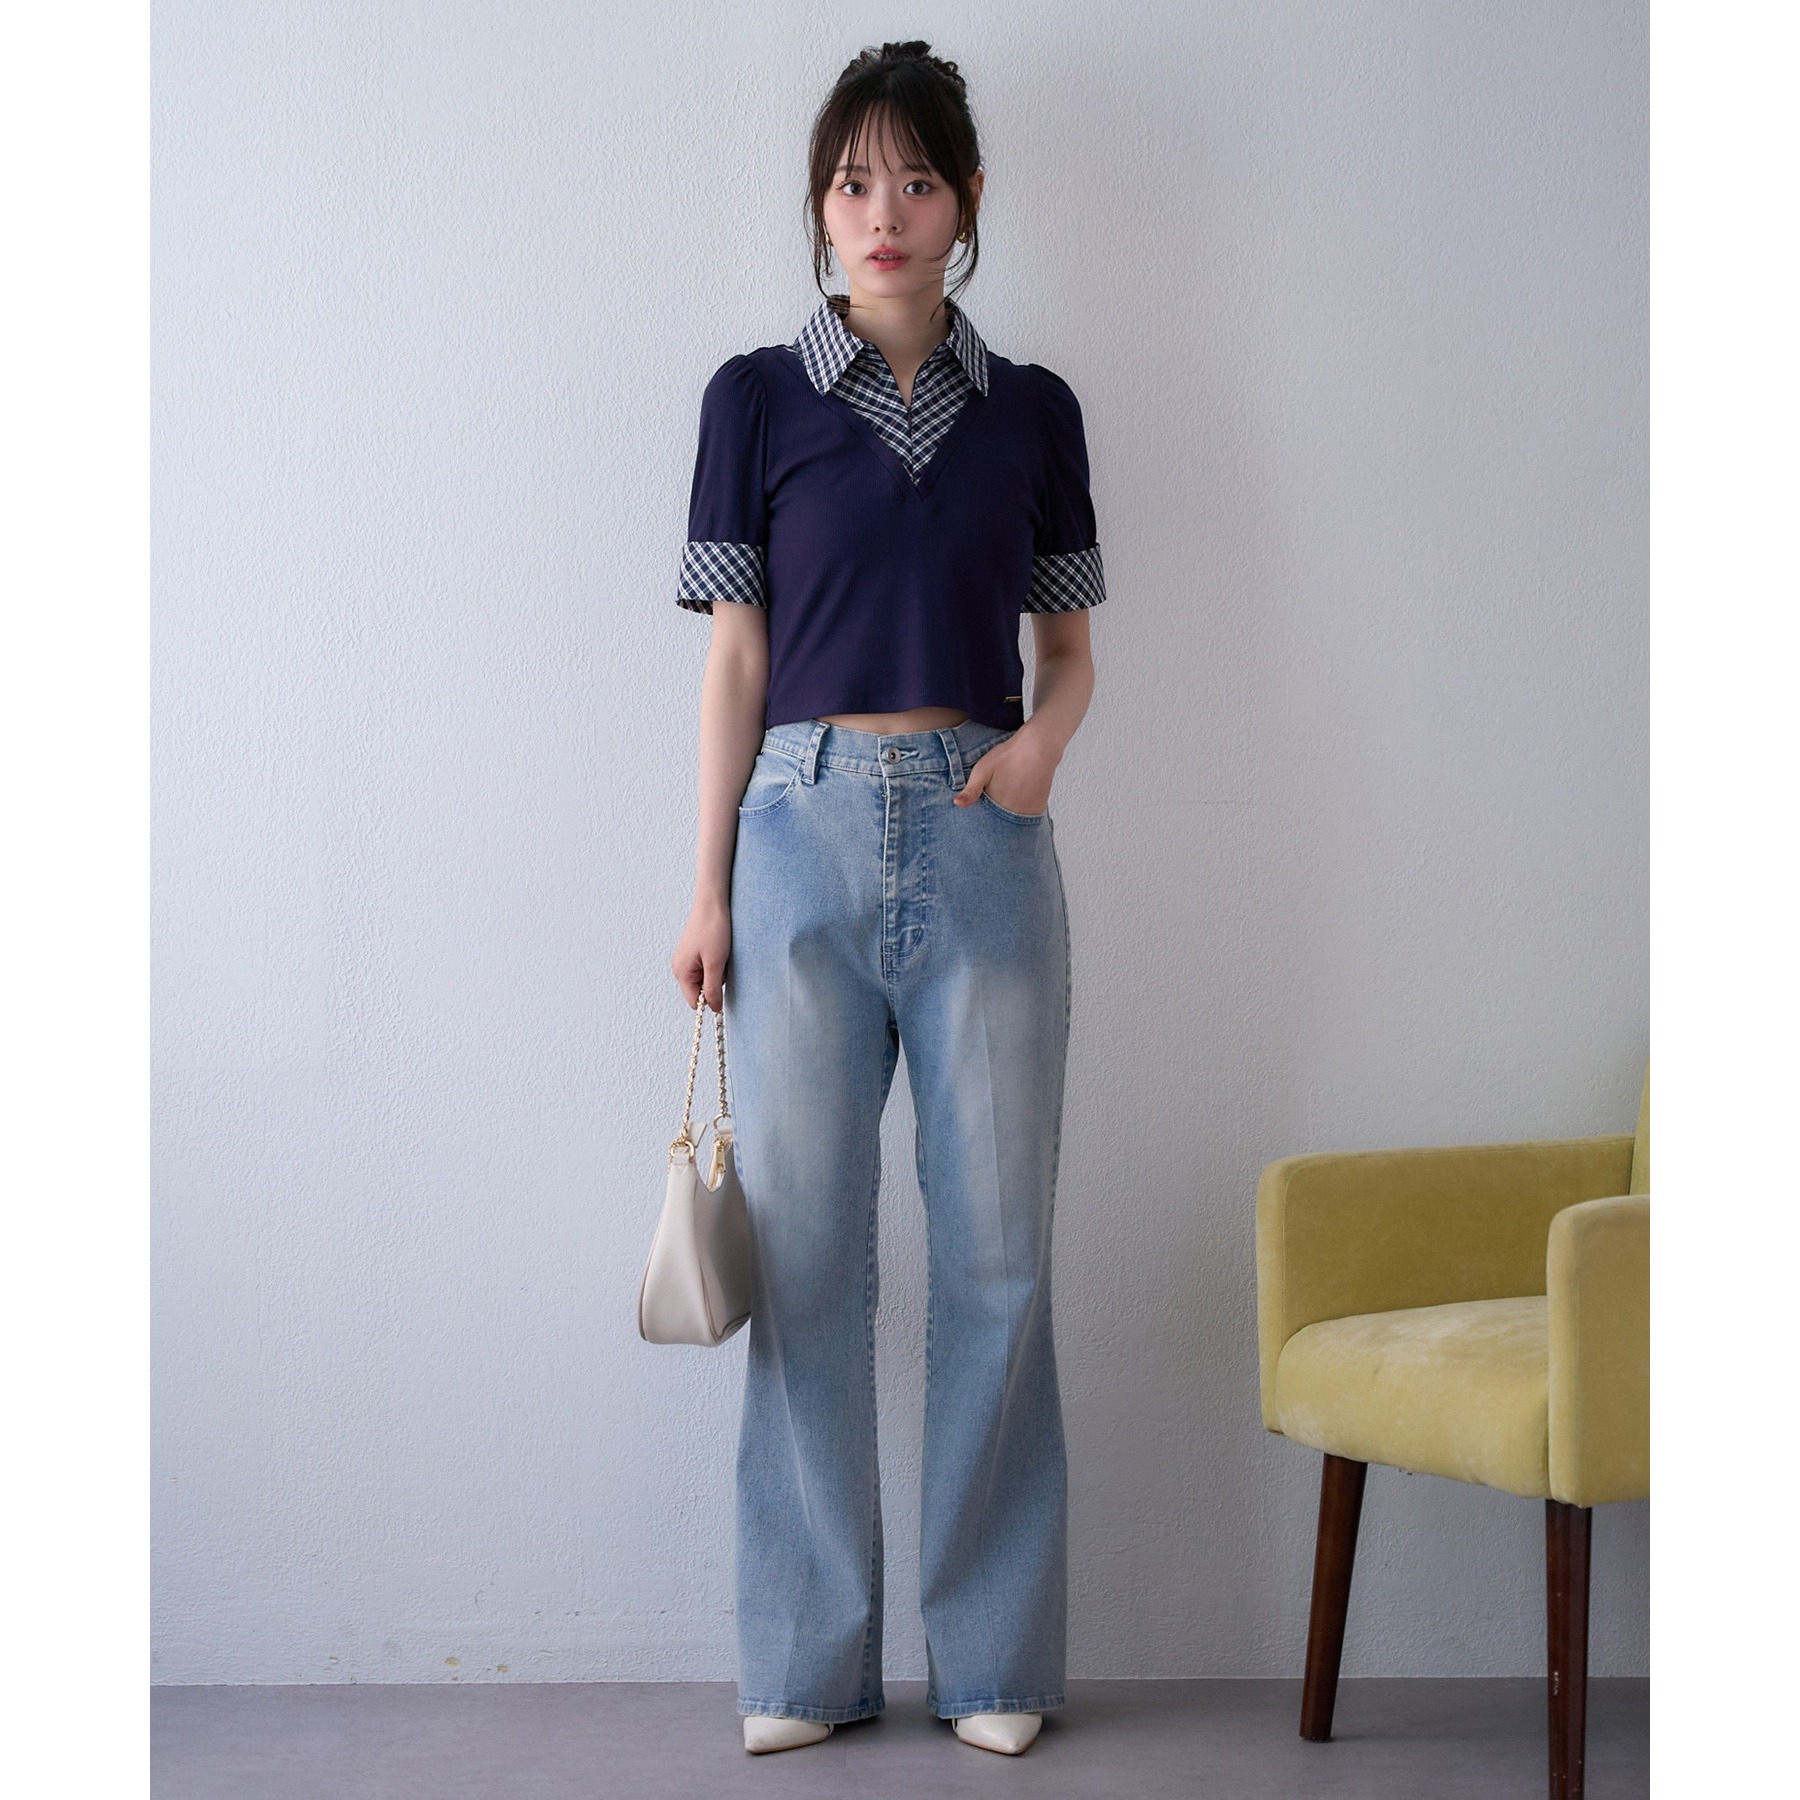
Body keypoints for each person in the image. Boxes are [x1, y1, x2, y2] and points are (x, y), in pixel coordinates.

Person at [668, 39, 1105, 1759]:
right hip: (799, 833)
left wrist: (1041, 749)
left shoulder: (1036, 411)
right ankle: (805, 1665)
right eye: (854, 182)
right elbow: (736, 662)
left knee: (997, 1261)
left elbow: (1069, 652)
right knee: (809, 1263)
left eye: (916, 180)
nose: (884, 212)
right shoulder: (753, 399)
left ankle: (992, 1664)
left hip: (988, 836)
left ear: (967, 198)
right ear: (822, 203)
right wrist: (705, 887)